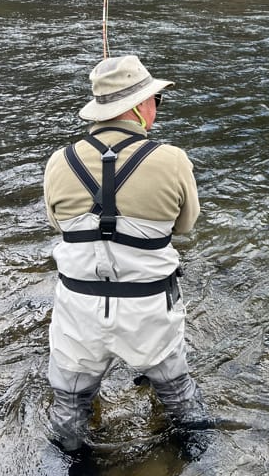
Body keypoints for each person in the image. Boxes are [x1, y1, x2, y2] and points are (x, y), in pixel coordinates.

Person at [44, 54, 205, 452]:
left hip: (78, 314)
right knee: (181, 400)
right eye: (156, 99)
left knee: (70, 412)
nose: (157, 108)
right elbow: (184, 226)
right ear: (137, 107)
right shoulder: (172, 160)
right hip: (150, 311)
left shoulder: (57, 162)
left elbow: (56, 225)